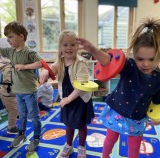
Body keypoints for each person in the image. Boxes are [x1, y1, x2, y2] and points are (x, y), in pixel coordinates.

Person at [75, 17, 160, 158]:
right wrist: (94, 50)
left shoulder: (158, 78)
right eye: (140, 59)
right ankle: (105, 156)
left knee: (134, 146)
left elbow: (158, 101)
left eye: (151, 59)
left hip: (138, 116)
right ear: (134, 55)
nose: (145, 64)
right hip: (118, 111)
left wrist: (158, 118)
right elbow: (109, 61)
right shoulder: (131, 66)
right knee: (110, 139)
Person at [40, 30, 94, 158]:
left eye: (72, 45)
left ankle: (81, 147)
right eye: (65, 45)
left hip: (79, 98)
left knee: (81, 125)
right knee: (69, 124)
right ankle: (69, 145)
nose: (69, 48)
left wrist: (68, 99)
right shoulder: (61, 61)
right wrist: (44, 72)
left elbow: (81, 87)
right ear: (60, 47)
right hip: (66, 97)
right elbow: (52, 68)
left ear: (77, 47)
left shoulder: (81, 63)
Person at [0, 21, 43, 152]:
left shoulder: (28, 52)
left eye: (11, 37)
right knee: (22, 115)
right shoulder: (10, 51)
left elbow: (41, 63)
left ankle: (36, 138)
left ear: (21, 36)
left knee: (34, 116)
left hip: (29, 91)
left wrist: (25, 67)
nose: (8, 40)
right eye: (7, 37)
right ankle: (21, 135)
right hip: (18, 92)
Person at [0, 57, 18, 134]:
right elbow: (9, 85)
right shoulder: (9, 69)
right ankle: (11, 128)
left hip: (6, 93)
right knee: (13, 110)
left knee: (14, 109)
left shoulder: (7, 67)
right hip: (8, 94)